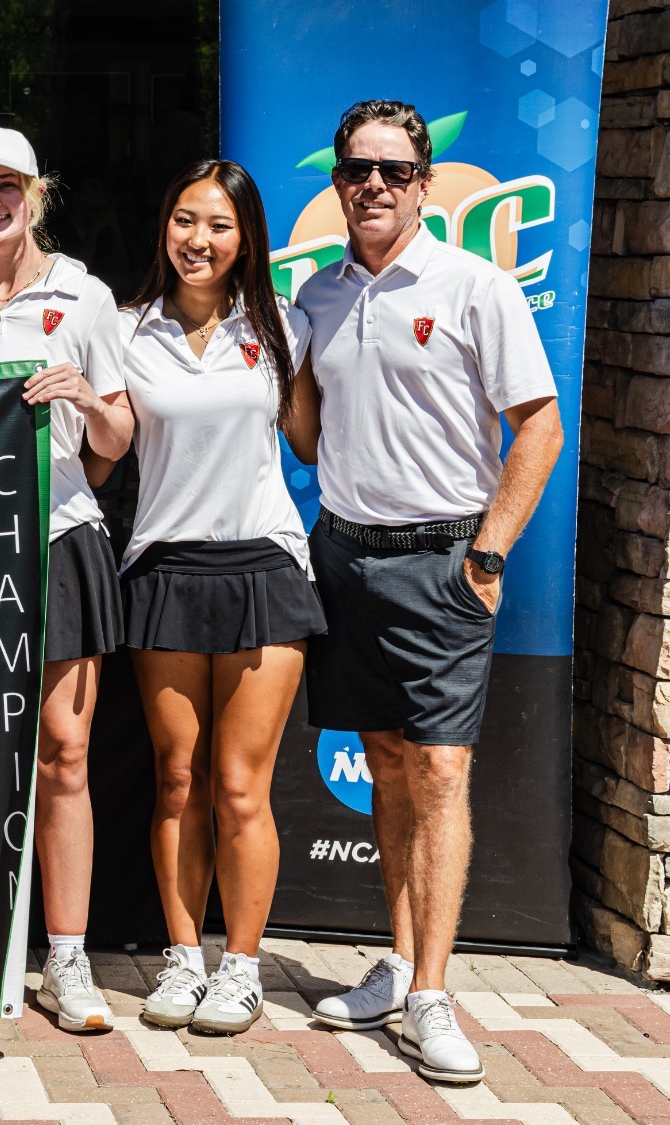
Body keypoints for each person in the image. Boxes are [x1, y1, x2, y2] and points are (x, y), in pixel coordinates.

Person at [301, 101, 562, 1083]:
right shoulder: (316, 297)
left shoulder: (472, 287)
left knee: (441, 773)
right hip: (346, 559)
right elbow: (300, 423)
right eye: (356, 167)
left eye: (394, 169)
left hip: (443, 559)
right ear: (336, 180)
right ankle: (401, 962)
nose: (373, 183)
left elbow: (536, 426)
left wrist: (486, 556)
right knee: (386, 762)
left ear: (421, 182)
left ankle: (430, 999)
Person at [0, 126, 134, 1034]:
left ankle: (68, 958)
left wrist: (84, 396)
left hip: (61, 536)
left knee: (65, 755)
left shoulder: (86, 293)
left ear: (38, 192)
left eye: (9, 185)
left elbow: (118, 441)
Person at [117, 160, 323, 1035]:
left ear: (247, 240)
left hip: (264, 569)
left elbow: (311, 441)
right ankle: (181, 957)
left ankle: (241, 966)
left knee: (240, 786)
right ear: (165, 227)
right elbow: (101, 440)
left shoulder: (286, 328)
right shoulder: (125, 331)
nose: (198, 240)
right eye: (184, 220)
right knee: (175, 780)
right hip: (164, 568)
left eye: (219, 226)